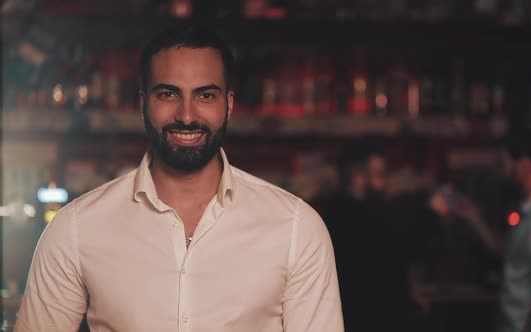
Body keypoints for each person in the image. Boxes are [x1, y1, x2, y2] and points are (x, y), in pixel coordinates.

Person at [14, 23, 343, 332]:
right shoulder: (75, 229)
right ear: (144, 103)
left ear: (228, 104)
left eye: (205, 96)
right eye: (168, 94)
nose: (187, 116)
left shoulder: (296, 229)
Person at [441, 130, 531, 332]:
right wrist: (473, 217)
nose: (500, 169)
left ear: (525, 166)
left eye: (503, 162)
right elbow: (508, 253)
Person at [314, 143, 414, 331]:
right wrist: (430, 213)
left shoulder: (342, 211)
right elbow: (393, 260)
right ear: (358, 177)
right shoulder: (356, 217)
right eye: (380, 175)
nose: (386, 183)